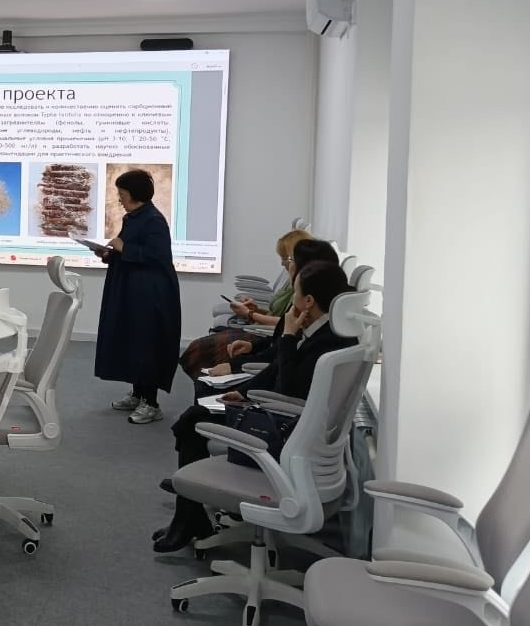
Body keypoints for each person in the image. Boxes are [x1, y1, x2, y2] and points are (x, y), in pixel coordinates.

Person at [152, 261, 356, 553]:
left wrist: (288, 337)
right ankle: (188, 517)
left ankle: (188, 520)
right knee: (195, 418)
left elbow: (289, 386)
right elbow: (277, 370)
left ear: (309, 301)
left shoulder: (322, 343)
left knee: (194, 422)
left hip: (286, 435)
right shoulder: (334, 334)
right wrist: (242, 391)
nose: (292, 302)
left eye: (296, 294)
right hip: (298, 430)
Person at [96, 169, 182, 424]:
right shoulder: (133, 217)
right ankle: (137, 394)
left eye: (122, 194)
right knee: (131, 340)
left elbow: (158, 256)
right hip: (131, 290)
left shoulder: (154, 220)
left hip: (151, 294)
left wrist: (123, 247)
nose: (119, 198)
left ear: (135, 194)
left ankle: (151, 403)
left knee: (147, 344)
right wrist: (110, 253)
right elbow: (128, 250)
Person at [177, 229, 313, 380]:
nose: (282, 263)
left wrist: (250, 314)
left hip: (266, 333)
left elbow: (283, 323)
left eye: (286, 259)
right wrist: (256, 310)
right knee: (204, 348)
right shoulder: (291, 284)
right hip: (267, 334)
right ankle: (206, 380)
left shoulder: (301, 289)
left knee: (201, 349)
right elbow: (280, 318)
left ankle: (208, 380)